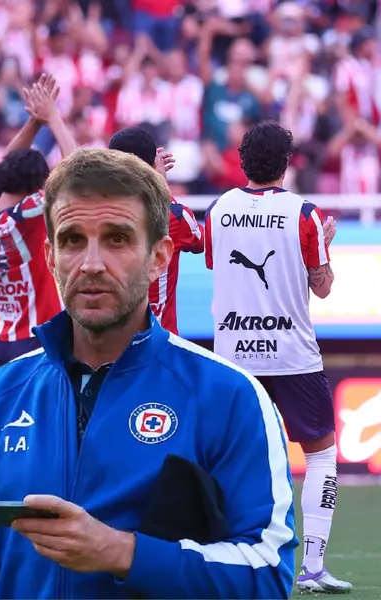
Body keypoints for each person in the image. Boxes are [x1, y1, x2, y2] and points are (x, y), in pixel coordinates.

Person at [0, 148, 298, 599]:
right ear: (50, 256)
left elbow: (268, 572)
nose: (90, 264)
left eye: (117, 239)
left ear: (159, 257)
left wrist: (123, 553)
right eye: (72, 240)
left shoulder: (228, 395)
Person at [206, 121, 349, 594]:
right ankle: (313, 567)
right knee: (321, 454)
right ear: (286, 163)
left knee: (227, 459)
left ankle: (224, 559)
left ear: (242, 161)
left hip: (234, 357)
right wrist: (323, 248)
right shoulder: (305, 213)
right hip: (292, 355)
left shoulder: (220, 208)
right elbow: (322, 288)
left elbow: (216, 262)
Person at [0, 75, 71, 370]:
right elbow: (78, 170)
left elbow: (5, 163)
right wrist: (53, 118)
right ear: (34, 187)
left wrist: (34, 122)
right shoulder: (27, 215)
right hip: (35, 340)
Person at [107, 126, 204, 336]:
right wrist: (160, 185)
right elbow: (201, 242)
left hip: (109, 338)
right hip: (158, 339)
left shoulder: (97, 213)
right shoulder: (175, 215)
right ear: (153, 165)